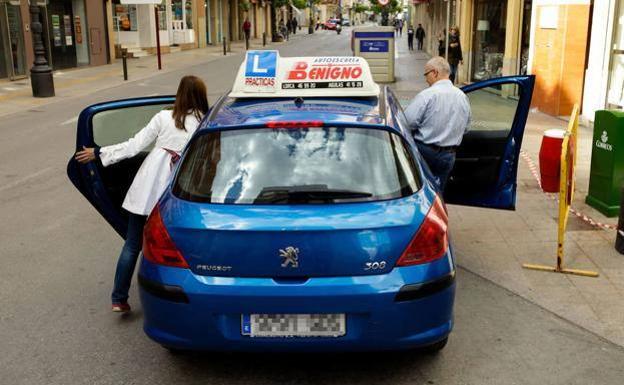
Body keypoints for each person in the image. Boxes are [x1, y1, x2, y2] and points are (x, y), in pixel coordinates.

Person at [74, 76, 209, 313]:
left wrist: (99, 152)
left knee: (132, 243)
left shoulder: (163, 117)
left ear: (179, 94)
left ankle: (119, 298)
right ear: (200, 96)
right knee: (178, 246)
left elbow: (134, 146)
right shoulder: (204, 121)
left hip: (150, 183)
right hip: (182, 186)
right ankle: (180, 297)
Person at [404, 57, 471, 192]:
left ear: (434, 73)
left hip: (425, 152)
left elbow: (407, 122)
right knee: (439, 193)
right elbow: (466, 127)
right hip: (449, 155)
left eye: (426, 74)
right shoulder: (462, 96)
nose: (425, 79)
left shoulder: (427, 95)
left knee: (421, 191)